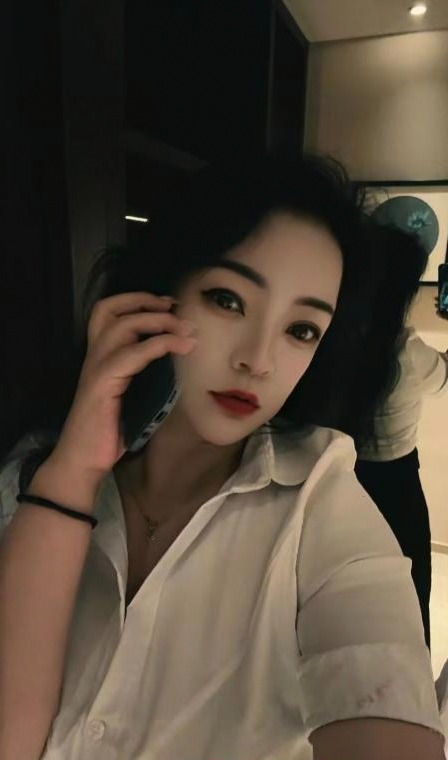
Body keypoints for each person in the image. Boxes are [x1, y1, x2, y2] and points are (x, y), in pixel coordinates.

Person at [0, 157, 446, 760]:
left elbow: (381, 700)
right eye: (228, 300)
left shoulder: (321, 505)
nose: (258, 360)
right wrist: (74, 470)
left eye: (301, 330)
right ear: (157, 296)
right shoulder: (34, 472)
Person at [354, 227, 448, 652]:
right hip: (397, 484)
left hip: (344, 476)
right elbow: (444, 380)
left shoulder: (338, 339)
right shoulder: (406, 348)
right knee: (412, 592)